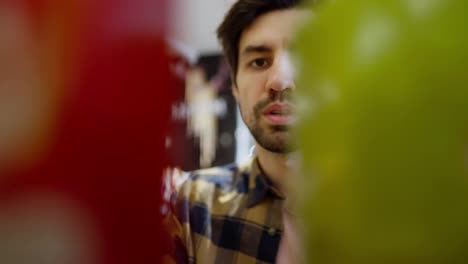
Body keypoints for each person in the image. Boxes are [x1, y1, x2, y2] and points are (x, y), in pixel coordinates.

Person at [165, 1, 310, 263]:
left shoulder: (391, 209)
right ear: (234, 85)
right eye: (259, 61)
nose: (279, 80)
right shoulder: (193, 205)